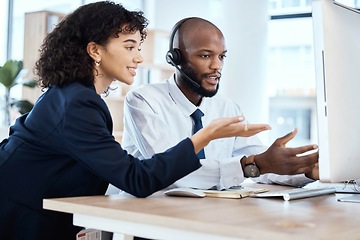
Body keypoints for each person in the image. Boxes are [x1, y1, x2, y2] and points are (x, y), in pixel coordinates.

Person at [0, 4, 270, 240]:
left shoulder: (76, 96)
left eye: (139, 47)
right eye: (129, 47)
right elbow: (136, 178)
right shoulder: (77, 103)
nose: (139, 57)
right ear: (95, 50)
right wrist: (205, 136)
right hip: (20, 213)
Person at [121, 17, 319, 191]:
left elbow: (263, 164)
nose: (217, 66)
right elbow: (170, 172)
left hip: (207, 212)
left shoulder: (226, 107)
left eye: (221, 56)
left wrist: (304, 169)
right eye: (205, 56)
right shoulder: (143, 100)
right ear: (175, 58)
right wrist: (252, 165)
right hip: (150, 217)